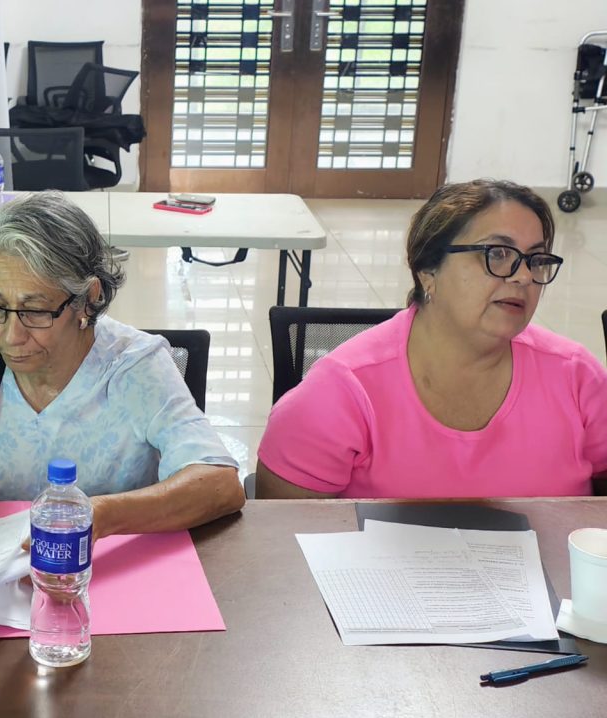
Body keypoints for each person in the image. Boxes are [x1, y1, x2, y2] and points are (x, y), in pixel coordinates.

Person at [0, 191, 244, 550]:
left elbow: (219, 484)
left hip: (101, 568)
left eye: (35, 311)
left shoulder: (134, 367)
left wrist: (102, 515)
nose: (10, 336)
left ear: (87, 300)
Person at [256, 179, 607, 500]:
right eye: (498, 254)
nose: (524, 277)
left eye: (537, 259)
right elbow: (281, 534)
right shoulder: (341, 391)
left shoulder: (577, 377)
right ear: (428, 271)